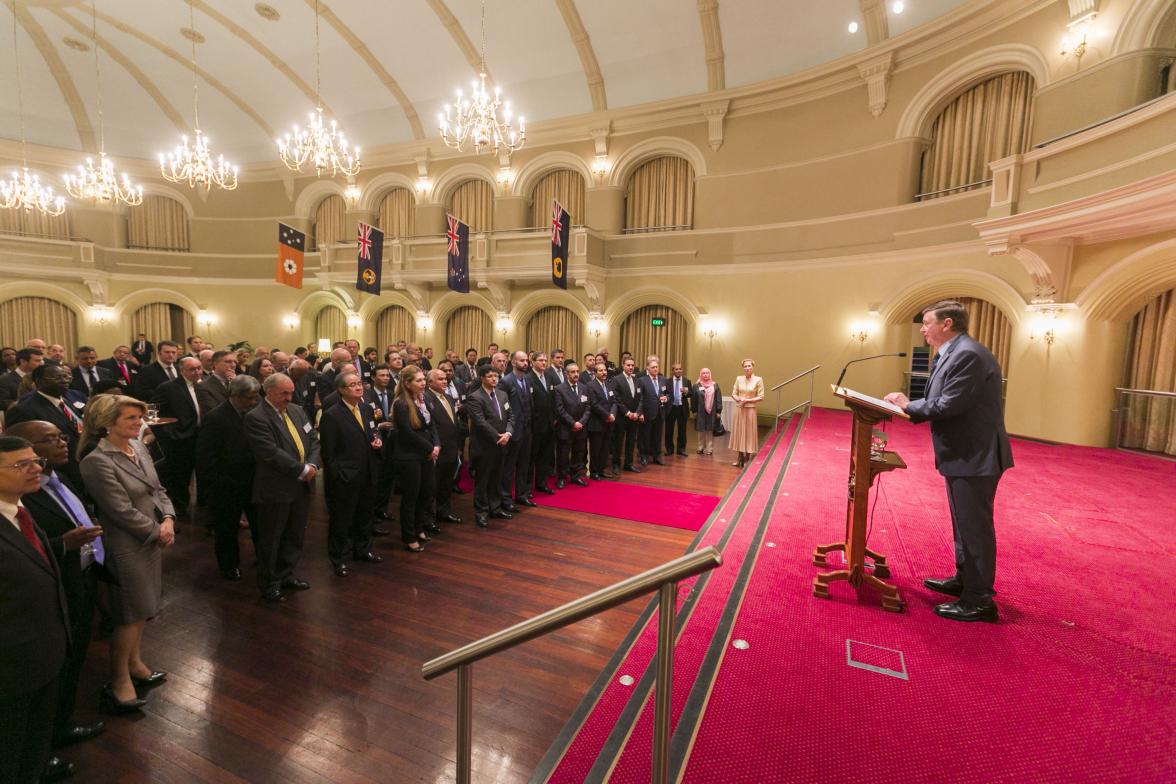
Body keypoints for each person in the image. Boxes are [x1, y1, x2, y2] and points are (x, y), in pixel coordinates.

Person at [884, 300, 1013, 623]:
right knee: (963, 524)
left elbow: (949, 404)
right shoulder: (954, 352)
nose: (923, 329)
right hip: (963, 453)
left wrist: (907, 405)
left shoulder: (967, 354)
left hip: (975, 455)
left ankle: (980, 599)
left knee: (974, 527)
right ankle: (965, 580)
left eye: (927, 323)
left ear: (947, 324)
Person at [7, 421, 106, 755]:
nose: (62, 444)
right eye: (25, 462)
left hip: (76, 581)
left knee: (72, 662)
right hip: (32, 618)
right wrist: (63, 545)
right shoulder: (24, 499)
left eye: (61, 437)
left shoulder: (55, 479)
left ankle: (59, 728)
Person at [78, 395, 175, 714]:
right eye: (132, 418)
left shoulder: (139, 447)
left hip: (152, 538)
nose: (139, 423)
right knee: (128, 614)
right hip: (126, 545)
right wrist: (156, 531)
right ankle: (120, 679)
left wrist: (170, 519)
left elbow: (158, 489)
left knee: (144, 608)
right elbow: (118, 510)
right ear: (108, 424)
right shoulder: (97, 461)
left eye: (139, 417)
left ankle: (135, 663)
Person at [0, 435, 73, 784]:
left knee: (34, 747)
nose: (36, 469)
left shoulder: (20, 511)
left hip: (43, 655)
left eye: (36, 461)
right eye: (21, 464)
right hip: (11, 667)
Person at [244, 373, 320, 603]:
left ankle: (286, 574)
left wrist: (313, 464)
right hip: (276, 486)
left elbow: (314, 438)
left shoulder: (296, 410)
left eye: (291, 392)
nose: (289, 397)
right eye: (283, 393)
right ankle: (269, 582)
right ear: (268, 392)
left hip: (302, 485)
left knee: (295, 534)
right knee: (272, 537)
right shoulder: (256, 417)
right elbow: (269, 452)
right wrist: (301, 469)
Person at [196, 375, 260, 581]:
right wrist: (216, 485)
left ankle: (263, 557)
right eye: (249, 398)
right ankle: (229, 565)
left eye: (255, 397)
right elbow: (205, 456)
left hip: (253, 480)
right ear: (235, 396)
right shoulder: (216, 418)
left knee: (259, 523)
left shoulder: (253, 412)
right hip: (226, 483)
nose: (254, 402)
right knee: (227, 528)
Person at [319, 372, 384, 575]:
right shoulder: (332, 415)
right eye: (353, 384)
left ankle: (363, 549)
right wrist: (339, 474)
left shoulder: (365, 408)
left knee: (365, 516)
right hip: (346, 476)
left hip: (368, 472)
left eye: (359, 383)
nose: (359, 387)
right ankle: (338, 558)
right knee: (342, 519)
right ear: (341, 390)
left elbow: (373, 431)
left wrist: (377, 440)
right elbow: (328, 453)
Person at [392, 366, 440, 551]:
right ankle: (409, 536)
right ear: (407, 383)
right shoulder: (401, 403)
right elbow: (407, 433)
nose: (423, 383)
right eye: (419, 380)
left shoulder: (422, 398)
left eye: (423, 379)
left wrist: (436, 445)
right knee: (411, 496)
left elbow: (431, 424)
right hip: (409, 456)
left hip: (426, 453)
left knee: (426, 492)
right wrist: (430, 448)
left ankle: (419, 528)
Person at [463, 363, 515, 527]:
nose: (494, 379)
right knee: (482, 480)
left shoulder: (502, 394)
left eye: (496, 376)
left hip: (502, 443)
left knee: (497, 478)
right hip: (485, 445)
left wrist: (508, 433)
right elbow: (480, 422)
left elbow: (511, 416)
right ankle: (481, 512)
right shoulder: (475, 397)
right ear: (482, 378)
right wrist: (498, 436)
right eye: (490, 376)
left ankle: (496, 508)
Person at [152, 356, 203, 516]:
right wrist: (170, 432)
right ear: (182, 371)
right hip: (181, 437)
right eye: (192, 369)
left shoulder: (206, 384)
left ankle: (203, 505)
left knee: (204, 472)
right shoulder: (168, 387)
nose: (197, 372)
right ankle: (180, 507)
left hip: (203, 435)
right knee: (182, 475)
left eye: (199, 368)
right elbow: (155, 412)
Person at [425, 369, 462, 525]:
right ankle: (428, 518)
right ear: (430, 382)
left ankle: (444, 512)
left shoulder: (448, 397)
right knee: (432, 485)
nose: (445, 381)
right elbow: (429, 425)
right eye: (440, 379)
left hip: (451, 447)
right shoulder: (426, 398)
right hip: (437, 448)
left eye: (445, 379)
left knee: (446, 483)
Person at [363, 364, 396, 531]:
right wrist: (379, 425)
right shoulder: (367, 395)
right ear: (374, 377)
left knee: (388, 478)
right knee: (376, 479)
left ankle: (382, 509)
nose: (385, 378)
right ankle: (372, 514)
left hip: (392, 441)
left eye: (387, 376)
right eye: (382, 375)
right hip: (376, 441)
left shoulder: (392, 394)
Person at [501, 351, 534, 510]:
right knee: (509, 467)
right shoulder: (506, 381)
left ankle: (521, 495)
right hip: (513, 430)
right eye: (522, 360)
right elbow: (504, 407)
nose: (526, 363)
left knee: (524, 464)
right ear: (513, 362)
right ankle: (506, 499)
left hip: (526, 429)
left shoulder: (527, 379)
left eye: (527, 360)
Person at [553, 362, 591, 487]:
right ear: (566, 374)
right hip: (566, 428)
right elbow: (559, 409)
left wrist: (581, 422)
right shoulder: (559, 388)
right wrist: (573, 423)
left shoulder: (584, 387)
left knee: (579, 453)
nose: (576, 374)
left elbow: (588, 408)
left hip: (581, 427)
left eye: (577, 371)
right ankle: (561, 478)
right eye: (573, 372)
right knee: (563, 455)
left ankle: (576, 476)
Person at [528, 352, 557, 495]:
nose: (544, 363)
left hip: (549, 425)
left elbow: (553, 400)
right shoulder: (528, 378)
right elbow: (529, 404)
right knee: (531, 458)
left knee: (545, 457)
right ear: (532, 362)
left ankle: (542, 483)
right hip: (535, 426)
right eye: (540, 360)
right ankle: (527, 489)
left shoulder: (549, 377)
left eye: (545, 360)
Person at [609, 356, 643, 473]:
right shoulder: (616, 379)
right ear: (623, 365)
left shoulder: (636, 380)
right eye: (628, 365)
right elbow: (616, 399)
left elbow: (641, 398)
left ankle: (629, 464)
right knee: (618, 442)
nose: (630, 367)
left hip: (634, 417)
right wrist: (628, 413)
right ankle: (616, 464)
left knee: (631, 441)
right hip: (621, 417)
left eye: (632, 365)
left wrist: (637, 412)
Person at [729, 358, 764, 468]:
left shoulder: (758, 379)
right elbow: (733, 393)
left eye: (749, 366)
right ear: (743, 367)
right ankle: (739, 457)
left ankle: (747, 458)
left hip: (750, 410)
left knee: (748, 433)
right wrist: (737, 398)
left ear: (753, 367)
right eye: (745, 366)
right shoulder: (738, 379)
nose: (747, 368)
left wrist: (747, 400)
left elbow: (761, 397)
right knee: (739, 432)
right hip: (739, 409)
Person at [586, 362, 617, 480]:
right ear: (595, 373)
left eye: (605, 370)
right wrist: (607, 415)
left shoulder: (609, 385)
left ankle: (601, 470)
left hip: (609, 422)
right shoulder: (590, 386)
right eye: (600, 370)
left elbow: (614, 401)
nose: (604, 372)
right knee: (596, 449)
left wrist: (613, 414)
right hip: (597, 423)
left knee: (605, 449)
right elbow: (594, 404)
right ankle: (594, 472)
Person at [637, 356, 669, 466]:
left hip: (660, 412)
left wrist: (666, 398)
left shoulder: (663, 379)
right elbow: (639, 398)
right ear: (648, 368)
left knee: (657, 436)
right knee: (645, 436)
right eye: (653, 367)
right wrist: (640, 413)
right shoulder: (642, 380)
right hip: (647, 413)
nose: (655, 369)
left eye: (656, 367)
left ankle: (657, 456)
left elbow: (668, 393)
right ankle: (644, 456)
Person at [663, 363, 692, 457]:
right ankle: (669, 449)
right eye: (676, 369)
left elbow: (690, 394)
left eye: (680, 369)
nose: (678, 371)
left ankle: (681, 449)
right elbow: (664, 393)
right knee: (669, 430)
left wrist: (687, 392)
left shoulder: (687, 381)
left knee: (682, 430)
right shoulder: (667, 381)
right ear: (673, 371)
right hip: (671, 408)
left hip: (682, 408)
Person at [692, 368, 723, 455]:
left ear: (710, 374)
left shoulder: (715, 385)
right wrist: (694, 411)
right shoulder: (696, 385)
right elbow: (693, 399)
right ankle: (700, 447)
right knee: (700, 430)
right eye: (703, 373)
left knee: (709, 430)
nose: (705, 375)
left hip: (712, 412)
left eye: (707, 373)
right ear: (701, 375)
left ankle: (709, 449)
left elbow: (718, 399)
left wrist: (718, 411)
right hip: (700, 411)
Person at [196, 350, 236, 416]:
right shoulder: (203, 386)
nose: (233, 365)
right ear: (215, 364)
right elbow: (213, 412)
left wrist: (236, 383)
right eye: (228, 362)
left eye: (234, 362)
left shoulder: (239, 381)